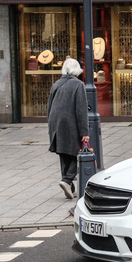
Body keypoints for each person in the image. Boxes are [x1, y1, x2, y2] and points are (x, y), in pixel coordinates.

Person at [47, 58, 89, 199]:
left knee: (64, 153)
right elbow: (81, 110)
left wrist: (51, 127)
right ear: (77, 70)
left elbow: (49, 107)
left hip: (55, 123)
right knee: (75, 152)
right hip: (69, 123)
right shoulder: (78, 85)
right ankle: (67, 180)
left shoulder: (56, 84)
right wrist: (84, 132)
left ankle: (69, 187)